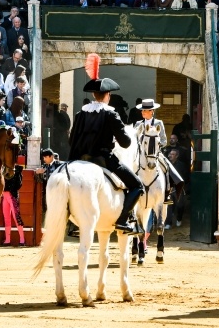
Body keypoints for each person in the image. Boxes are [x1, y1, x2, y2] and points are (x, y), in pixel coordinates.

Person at [68, 54, 144, 234]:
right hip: (103, 159)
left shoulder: (81, 113)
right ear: (108, 95)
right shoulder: (111, 114)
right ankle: (123, 220)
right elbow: (125, 143)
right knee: (137, 185)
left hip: (79, 159)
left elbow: (71, 140)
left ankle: (72, 222)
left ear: (94, 95)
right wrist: (117, 136)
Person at [134, 99, 184, 203]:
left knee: (166, 167)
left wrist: (156, 146)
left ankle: (167, 193)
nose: (142, 112)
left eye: (145, 110)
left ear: (151, 111)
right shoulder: (138, 124)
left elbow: (164, 140)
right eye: (142, 110)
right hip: (140, 154)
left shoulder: (158, 123)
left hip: (154, 153)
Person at [1, 164, 25, 247]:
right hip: (5, 196)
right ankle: (7, 240)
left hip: (12, 196)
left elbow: (19, 184)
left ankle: (22, 240)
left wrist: (11, 189)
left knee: (16, 217)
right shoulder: (2, 168)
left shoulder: (17, 170)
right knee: (6, 217)